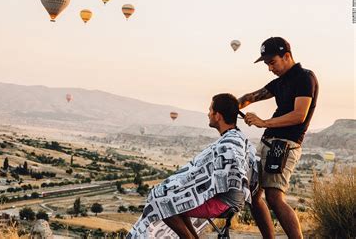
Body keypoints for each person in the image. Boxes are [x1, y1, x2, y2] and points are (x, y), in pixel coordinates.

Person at [128, 93, 258, 239]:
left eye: (210, 110)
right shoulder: (236, 138)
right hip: (229, 199)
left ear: (218, 116)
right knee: (174, 198)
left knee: (159, 200)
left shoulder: (227, 146)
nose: (208, 114)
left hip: (222, 202)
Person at [238, 37, 318, 239]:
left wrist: (263, 122)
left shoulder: (304, 77)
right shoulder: (280, 82)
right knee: (254, 195)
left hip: (285, 145)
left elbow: (299, 115)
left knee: (274, 198)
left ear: (287, 56)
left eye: (272, 62)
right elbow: (253, 96)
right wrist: (230, 105)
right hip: (268, 142)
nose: (269, 68)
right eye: (266, 64)